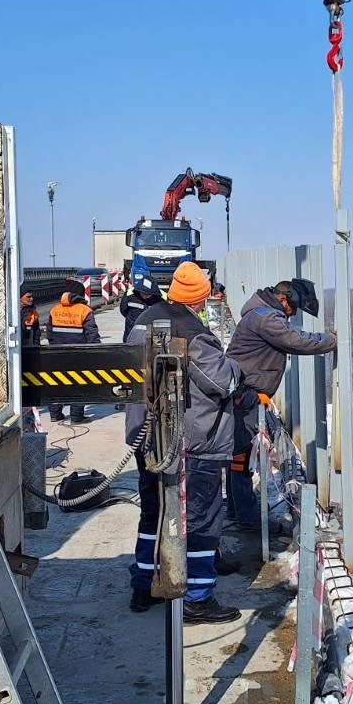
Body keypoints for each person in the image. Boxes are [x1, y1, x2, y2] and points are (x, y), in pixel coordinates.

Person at [125, 262, 242, 624]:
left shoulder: (143, 320)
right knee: (201, 520)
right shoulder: (193, 332)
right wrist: (236, 366)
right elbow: (222, 382)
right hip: (193, 444)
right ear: (200, 299)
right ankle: (198, 596)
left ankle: (143, 585)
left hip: (148, 441)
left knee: (153, 513)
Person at [226, 279, 336, 531]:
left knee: (239, 456)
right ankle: (246, 518)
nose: (294, 314)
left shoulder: (260, 313)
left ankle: (239, 511)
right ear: (284, 300)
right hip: (246, 397)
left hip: (246, 394)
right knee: (241, 458)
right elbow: (297, 341)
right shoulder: (266, 319)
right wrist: (331, 340)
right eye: (294, 308)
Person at [45, 279, 100, 423]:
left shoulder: (55, 310)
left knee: (56, 383)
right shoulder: (84, 310)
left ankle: (55, 414)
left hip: (57, 353)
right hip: (79, 354)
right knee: (78, 384)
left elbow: (49, 334)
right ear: (80, 294)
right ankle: (76, 417)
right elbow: (91, 334)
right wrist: (97, 353)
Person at [119, 274, 162, 340]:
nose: (144, 296)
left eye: (147, 294)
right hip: (131, 332)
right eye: (142, 293)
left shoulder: (161, 298)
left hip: (152, 334)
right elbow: (123, 310)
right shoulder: (130, 295)